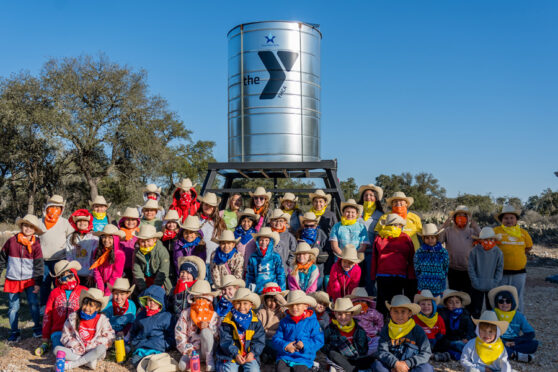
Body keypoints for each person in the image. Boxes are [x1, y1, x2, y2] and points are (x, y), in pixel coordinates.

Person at [0, 214, 44, 341]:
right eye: (25, 225)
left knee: (33, 304)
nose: (28, 229)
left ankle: (36, 328)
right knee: (13, 307)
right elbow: (2, 259)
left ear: (35, 230)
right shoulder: (11, 241)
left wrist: (38, 282)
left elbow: (39, 265)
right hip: (12, 279)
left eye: (31, 227)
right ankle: (14, 332)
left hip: (30, 280)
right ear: (21, 226)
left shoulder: (36, 245)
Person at [55, 288, 115, 370]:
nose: (86, 308)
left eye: (91, 305)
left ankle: (72, 365)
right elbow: (65, 336)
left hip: (93, 350)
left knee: (101, 348)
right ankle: (88, 362)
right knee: (57, 350)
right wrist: (76, 346)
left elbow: (109, 337)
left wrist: (90, 346)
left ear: (97, 308)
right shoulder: (73, 317)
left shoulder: (102, 320)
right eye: (85, 304)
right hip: (77, 350)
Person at [372, 295, 433, 372]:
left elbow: (426, 352)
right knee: (377, 365)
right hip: (392, 366)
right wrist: (396, 364)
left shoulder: (417, 330)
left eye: (403, 311)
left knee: (427, 368)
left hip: (411, 366)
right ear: (390, 312)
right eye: (395, 311)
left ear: (410, 313)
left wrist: (407, 364)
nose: (399, 315)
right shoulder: (386, 330)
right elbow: (382, 351)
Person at [371, 214, 416, 316]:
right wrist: (373, 276)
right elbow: (374, 257)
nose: (397, 226)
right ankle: (381, 323)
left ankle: (396, 321)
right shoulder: (379, 237)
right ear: (387, 225)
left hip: (400, 274)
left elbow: (411, 257)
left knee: (397, 300)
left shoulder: (405, 237)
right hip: (383, 274)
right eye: (393, 224)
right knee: (382, 301)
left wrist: (411, 275)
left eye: (399, 224)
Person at [493, 205, 533, 312]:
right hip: (501, 272)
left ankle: (518, 321)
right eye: (506, 218)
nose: (509, 220)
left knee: (517, 296)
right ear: (501, 220)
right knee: (500, 296)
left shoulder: (523, 233)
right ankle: (500, 322)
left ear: (516, 219)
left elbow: (528, 247)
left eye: (512, 218)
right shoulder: (496, 231)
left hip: (519, 273)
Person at [272, 290, 325, 372]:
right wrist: (285, 346)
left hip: (303, 357)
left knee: (300, 369)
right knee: (280, 369)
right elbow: (276, 339)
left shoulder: (313, 322)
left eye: (297, 304)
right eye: (291, 305)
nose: (294, 307)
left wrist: (305, 345)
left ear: (305, 306)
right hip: (285, 356)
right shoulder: (284, 322)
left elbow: (319, 340)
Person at [41, 260, 87, 353]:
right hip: (59, 331)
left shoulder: (84, 291)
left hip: (78, 331)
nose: (68, 280)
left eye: (70, 276)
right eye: (63, 278)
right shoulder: (54, 293)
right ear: (58, 280)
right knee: (61, 350)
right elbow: (47, 315)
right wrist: (45, 337)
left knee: (81, 347)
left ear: (74, 274)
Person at [216, 288, 266, 372]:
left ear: (251, 305)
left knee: (254, 370)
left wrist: (252, 353)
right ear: (233, 304)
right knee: (230, 370)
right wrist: (235, 354)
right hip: (231, 355)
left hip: (249, 355)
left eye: (245, 303)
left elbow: (259, 341)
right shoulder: (228, 321)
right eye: (238, 303)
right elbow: (226, 341)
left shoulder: (255, 322)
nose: (242, 307)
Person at [175, 280, 220, 372]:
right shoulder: (186, 314)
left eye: (204, 299)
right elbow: (179, 334)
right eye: (198, 299)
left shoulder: (214, 315)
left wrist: (209, 327)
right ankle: (197, 359)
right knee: (182, 366)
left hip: (209, 349)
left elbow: (219, 336)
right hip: (192, 349)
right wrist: (189, 350)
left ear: (209, 300)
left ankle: (209, 360)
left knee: (206, 332)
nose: (201, 302)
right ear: (193, 299)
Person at [39, 195, 74, 308]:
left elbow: (72, 237)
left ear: (61, 209)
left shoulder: (64, 222)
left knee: (59, 284)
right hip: (44, 260)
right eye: (52, 206)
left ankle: (59, 306)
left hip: (60, 259)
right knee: (44, 284)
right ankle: (44, 307)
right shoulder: (40, 222)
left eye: (58, 207)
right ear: (47, 207)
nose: (54, 209)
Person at [439, 205, 481, 302]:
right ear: (454, 218)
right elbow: (438, 241)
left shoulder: (472, 232)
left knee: (467, 296)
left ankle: (466, 315)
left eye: (464, 216)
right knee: (454, 295)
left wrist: (476, 227)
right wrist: (444, 226)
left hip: (468, 270)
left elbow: (483, 239)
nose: (461, 218)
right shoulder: (448, 231)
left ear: (468, 218)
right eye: (458, 216)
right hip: (453, 269)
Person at [488, 285, 538, 363]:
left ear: (512, 303)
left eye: (508, 301)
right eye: (501, 301)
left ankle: (506, 352)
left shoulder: (518, 315)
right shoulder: (492, 314)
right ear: (496, 303)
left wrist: (516, 341)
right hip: (498, 340)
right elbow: (487, 332)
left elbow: (530, 333)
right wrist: (504, 343)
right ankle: (515, 355)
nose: (505, 304)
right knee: (489, 343)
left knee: (534, 344)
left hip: (514, 342)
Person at [324, 298, 374, 372]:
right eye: (340, 314)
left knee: (373, 358)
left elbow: (363, 348)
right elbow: (325, 347)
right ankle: (352, 369)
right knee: (332, 354)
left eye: (347, 314)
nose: (343, 317)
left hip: (356, 358)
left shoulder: (359, 329)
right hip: (341, 358)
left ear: (352, 314)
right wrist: (338, 345)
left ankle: (352, 367)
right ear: (335, 314)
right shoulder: (330, 329)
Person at [130, 285, 174, 366]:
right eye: (149, 300)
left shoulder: (166, 316)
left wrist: (165, 345)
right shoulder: (141, 315)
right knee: (136, 363)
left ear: (161, 302)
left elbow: (171, 335)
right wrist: (134, 342)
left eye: (155, 301)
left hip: (157, 348)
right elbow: (134, 330)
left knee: (154, 365)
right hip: (142, 347)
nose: (152, 303)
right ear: (145, 301)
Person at [468, 227, 504, 318]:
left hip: (492, 285)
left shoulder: (498, 252)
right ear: (480, 240)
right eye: (485, 240)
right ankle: (474, 328)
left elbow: (500, 268)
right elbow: (471, 267)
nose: (488, 241)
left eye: (491, 239)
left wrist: (495, 281)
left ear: (494, 240)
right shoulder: (474, 251)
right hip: (477, 285)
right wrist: (474, 281)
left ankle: (490, 328)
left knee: (491, 309)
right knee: (476, 309)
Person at [357, 184, 384, 296]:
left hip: (372, 252)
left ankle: (370, 305)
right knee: (357, 279)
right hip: (357, 251)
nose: (368, 197)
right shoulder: (357, 212)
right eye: (366, 195)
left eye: (371, 195)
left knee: (370, 279)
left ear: (376, 198)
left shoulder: (380, 214)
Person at [133, 224, 172, 295]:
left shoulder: (162, 251)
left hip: (159, 281)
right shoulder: (137, 252)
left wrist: (155, 288)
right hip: (143, 281)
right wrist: (143, 288)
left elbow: (163, 271)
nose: (146, 244)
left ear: (154, 239)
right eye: (143, 241)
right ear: (138, 241)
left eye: (148, 241)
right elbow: (137, 271)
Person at [437, 289, 476, 361]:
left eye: (457, 302)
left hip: (462, 339)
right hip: (448, 340)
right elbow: (441, 331)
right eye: (450, 302)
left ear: (461, 304)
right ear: (446, 305)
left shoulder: (466, 316)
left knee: (466, 345)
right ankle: (455, 353)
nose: (454, 305)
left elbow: (471, 330)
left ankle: (456, 353)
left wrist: (467, 338)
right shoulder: (443, 315)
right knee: (447, 345)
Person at [246, 227, 286, 294]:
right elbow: (250, 276)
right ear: (258, 242)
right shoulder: (253, 257)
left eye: (266, 240)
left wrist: (282, 290)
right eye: (261, 240)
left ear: (270, 242)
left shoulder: (275, 257)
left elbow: (280, 275)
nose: (264, 242)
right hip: (257, 291)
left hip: (273, 290)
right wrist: (249, 291)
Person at [414, 223, 449, 297]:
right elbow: (417, 269)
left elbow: (445, 268)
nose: (430, 240)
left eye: (432, 237)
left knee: (438, 306)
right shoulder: (419, 252)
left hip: (438, 286)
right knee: (425, 306)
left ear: (437, 238)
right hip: (423, 286)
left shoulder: (443, 252)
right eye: (427, 238)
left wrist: (441, 276)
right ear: (423, 239)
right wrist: (422, 277)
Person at [65, 209, 98, 286]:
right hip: (75, 274)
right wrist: (72, 272)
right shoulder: (70, 237)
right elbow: (69, 255)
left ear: (88, 223)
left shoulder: (93, 238)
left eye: (85, 221)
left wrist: (92, 274)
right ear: (75, 223)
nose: (82, 223)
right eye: (79, 221)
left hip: (89, 275)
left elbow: (95, 257)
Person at [90, 224, 126, 296]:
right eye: (104, 237)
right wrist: (101, 288)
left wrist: (107, 292)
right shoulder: (98, 251)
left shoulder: (119, 254)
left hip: (113, 285)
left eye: (110, 237)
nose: (106, 240)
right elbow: (96, 270)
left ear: (115, 239)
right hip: (100, 284)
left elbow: (116, 275)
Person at [257, 282, 288, 364]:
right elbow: (258, 329)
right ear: (265, 301)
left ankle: (272, 357)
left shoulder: (282, 312)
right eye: (270, 301)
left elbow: (290, 319)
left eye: (275, 300)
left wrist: (283, 302)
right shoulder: (261, 312)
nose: (273, 304)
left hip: (278, 339)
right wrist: (267, 332)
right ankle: (266, 355)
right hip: (264, 339)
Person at [346, 287, 383, 354]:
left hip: (370, 336)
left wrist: (377, 329)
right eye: (357, 301)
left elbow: (380, 319)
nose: (360, 303)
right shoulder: (351, 313)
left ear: (367, 302)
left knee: (379, 343)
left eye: (362, 301)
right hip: (356, 337)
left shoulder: (371, 312)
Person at [297, 212, 328, 289]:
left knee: (316, 291)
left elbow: (327, 250)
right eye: (306, 225)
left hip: (318, 268)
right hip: (301, 271)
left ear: (316, 225)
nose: (309, 228)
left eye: (312, 225)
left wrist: (315, 255)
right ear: (303, 225)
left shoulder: (321, 234)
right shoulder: (298, 234)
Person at [412, 290, 447, 361]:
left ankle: (428, 355)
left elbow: (442, 330)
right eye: (423, 304)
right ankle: (432, 356)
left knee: (446, 343)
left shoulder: (438, 318)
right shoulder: (415, 318)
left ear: (433, 306)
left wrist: (437, 337)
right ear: (418, 306)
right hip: (419, 342)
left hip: (434, 342)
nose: (426, 306)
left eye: (429, 304)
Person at [197, 192, 227, 266]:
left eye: (211, 206)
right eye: (206, 204)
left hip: (214, 260)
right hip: (198, 259)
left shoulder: (220, 222)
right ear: (202, 205)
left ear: (215, 207)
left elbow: (224, 239)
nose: (208, 207)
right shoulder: (196, 219)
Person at [117, 207, 141, 279]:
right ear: (123, 221)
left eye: (133, 219)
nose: (130, 222)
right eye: (128, 219)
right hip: (121, 266)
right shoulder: (119, 234)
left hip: (136, 266)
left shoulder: (139, 233)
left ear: (137, 221)